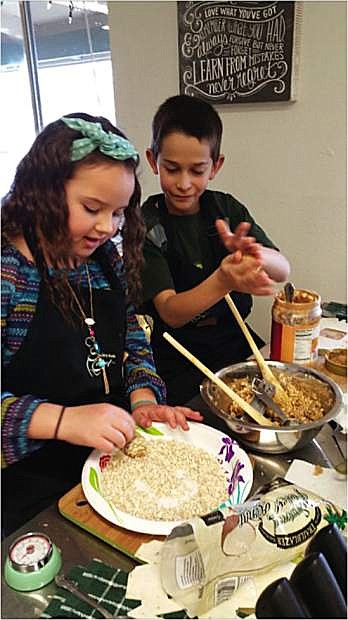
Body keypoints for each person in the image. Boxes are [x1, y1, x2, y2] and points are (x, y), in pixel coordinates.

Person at [1, 112, 202, 536]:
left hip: (105, 461)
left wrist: (144, 399)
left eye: (117, 213)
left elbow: (131, 338)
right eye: (92, 208)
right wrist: (64, 421)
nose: (106, 228)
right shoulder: (10, 276)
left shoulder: (103, 260)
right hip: (26, 493)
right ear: (44, 192)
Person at [140, 95, 290, 405]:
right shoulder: (146, 223)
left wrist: (257, 256)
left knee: (278, 399)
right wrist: (223, 280)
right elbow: (171, 312)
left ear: (215, 166)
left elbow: (283, 270)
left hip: (233, 338)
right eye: (172, 168)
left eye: (197, 170)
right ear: (153, 161)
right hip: (175, 352)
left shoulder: (225, 209)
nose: (183, 183)